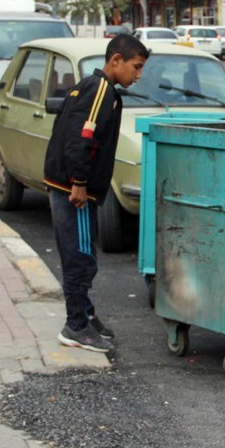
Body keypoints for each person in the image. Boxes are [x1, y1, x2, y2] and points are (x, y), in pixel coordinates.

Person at [44, 34, 150, 352]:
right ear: (115, 60)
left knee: (84, 253)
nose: (139, 75)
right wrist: (78, 181)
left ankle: (86, 315)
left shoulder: (94, 87)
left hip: (72, 186)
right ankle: (75, 325)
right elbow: (81, 137)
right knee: (80, 257)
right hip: (73, 190)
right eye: (136, 67)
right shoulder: (100, 90)